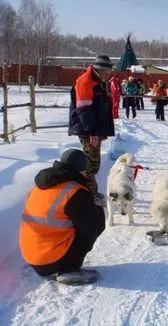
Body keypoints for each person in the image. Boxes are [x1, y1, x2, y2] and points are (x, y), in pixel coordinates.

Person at [19, 149, 105, 285]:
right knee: (94, 223)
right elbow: (91, 227)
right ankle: (69, 269)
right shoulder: (75, 192)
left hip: (30, 256)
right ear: (80, 168)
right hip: (51, 261)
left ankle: (58, 263)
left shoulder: (39, 186)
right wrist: (98, 208)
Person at [68, 54, 115, 204]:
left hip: (94, 129)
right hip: (88, 130)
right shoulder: (86, 81)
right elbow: (83, 109)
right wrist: (92, 131)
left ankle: (92, 192)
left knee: (94, 164)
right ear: (100, 70)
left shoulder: (98, 80)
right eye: (107, 72)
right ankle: (88, 197)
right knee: (89, 164)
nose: (108, 75)